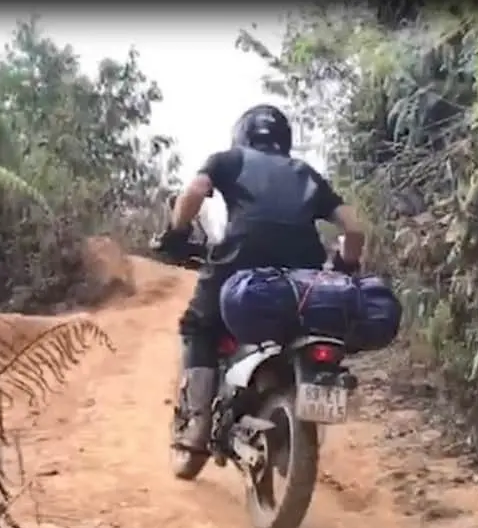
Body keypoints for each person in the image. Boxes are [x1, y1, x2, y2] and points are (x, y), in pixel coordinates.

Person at [156, 104, 366, 451]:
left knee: (200, 327)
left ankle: (197, 423)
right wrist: (344, 267)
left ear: (242, 135)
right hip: (304, 273)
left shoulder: (228, 160)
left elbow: (193, 193)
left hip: (240, 261)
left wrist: (176, 234)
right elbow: (355, 229)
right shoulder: (306, 173)